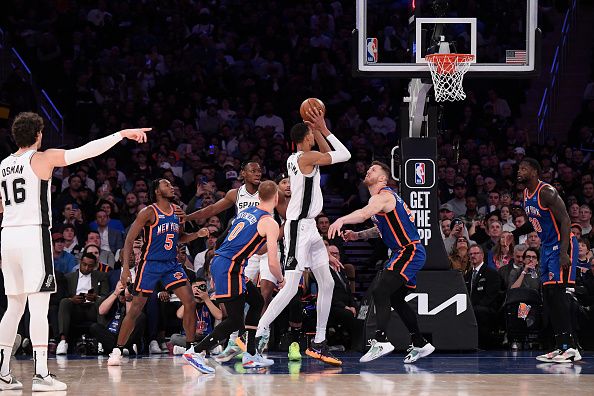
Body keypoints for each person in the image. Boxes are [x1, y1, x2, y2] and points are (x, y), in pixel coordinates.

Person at [0, 112, 149, 391]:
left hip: (7, 236)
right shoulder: (40, 158)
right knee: (39, 307)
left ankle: (2, 372)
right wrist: (121, 134)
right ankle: (41, 374)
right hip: (33, 235)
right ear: (38, 135)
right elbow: (84, 151)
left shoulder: (3, 165)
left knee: (14, 306)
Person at [255, 107, 350, 367]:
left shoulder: (298, 156)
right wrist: (325, 129)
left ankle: (319, 342)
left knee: (327, 283)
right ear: (306, 137)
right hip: (298, 228)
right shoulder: (305, 159)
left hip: (310, 230)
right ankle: (259, 333)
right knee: (290, 286)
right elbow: (343, 154)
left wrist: (317, 129)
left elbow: (326, 153)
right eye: (312, 134)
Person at [328, 161, 434, 364]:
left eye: (373, 170)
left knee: (380, 291)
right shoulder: (383, 202)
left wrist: (341, 220)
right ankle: (420, 342)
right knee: (395, 298)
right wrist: (357, 236)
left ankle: (381, 340)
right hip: (403, 252)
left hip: (408, 250)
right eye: (368, 169)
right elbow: (380, 229)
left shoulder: (383, 196)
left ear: (383, 178)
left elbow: (363, 214)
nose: (368, 170)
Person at [106, 179, 209, 371]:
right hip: (150, 264)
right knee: (135, 309)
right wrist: (126, 269)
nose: (171, 187)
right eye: (166, 185)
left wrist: (198, 235)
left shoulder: (177, 212)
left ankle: (191, 348)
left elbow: (180, 238)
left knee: (190, 301)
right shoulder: (148, 212)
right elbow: (129, 240)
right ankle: (117, 350)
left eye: (171, 185)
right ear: (157, 191)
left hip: (171, 264)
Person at [191, 181, 285, 369]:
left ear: (258, 197)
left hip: (229, 264)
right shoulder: (270, 222)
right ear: (276, 198)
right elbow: (273, 262)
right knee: (234, 320)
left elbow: (230, 241)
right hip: (229, 267)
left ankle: (250, 355)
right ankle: (195, 352)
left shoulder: (245, 213)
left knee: (257, 301)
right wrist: (281, 280)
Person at [518, 157, 581, 363]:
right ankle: (560, 346)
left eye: (524, 169)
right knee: (549, 296)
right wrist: (516, 233)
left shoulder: (547, 192)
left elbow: (565, 220)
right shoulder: (526, 194)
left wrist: (564, 252)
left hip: (561, 244)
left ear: (535, 172)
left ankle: (570, 347)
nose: (519, 171)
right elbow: (534, 222)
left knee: (558, 294)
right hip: (546, 247)